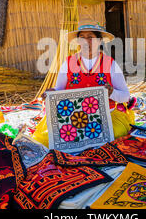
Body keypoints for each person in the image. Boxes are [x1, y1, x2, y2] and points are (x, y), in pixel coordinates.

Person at [32, 19, 136, 147]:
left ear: (99, 41)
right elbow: (59, 89)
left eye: (90, 37)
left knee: (115, 133)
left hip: (106, 116)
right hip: (72, 118)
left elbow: (125, 96)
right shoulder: (69, 63)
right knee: (47, 139)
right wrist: (51, 94)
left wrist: (112, 92)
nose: (86, 41)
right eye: (82, 38)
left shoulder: (110, 64)